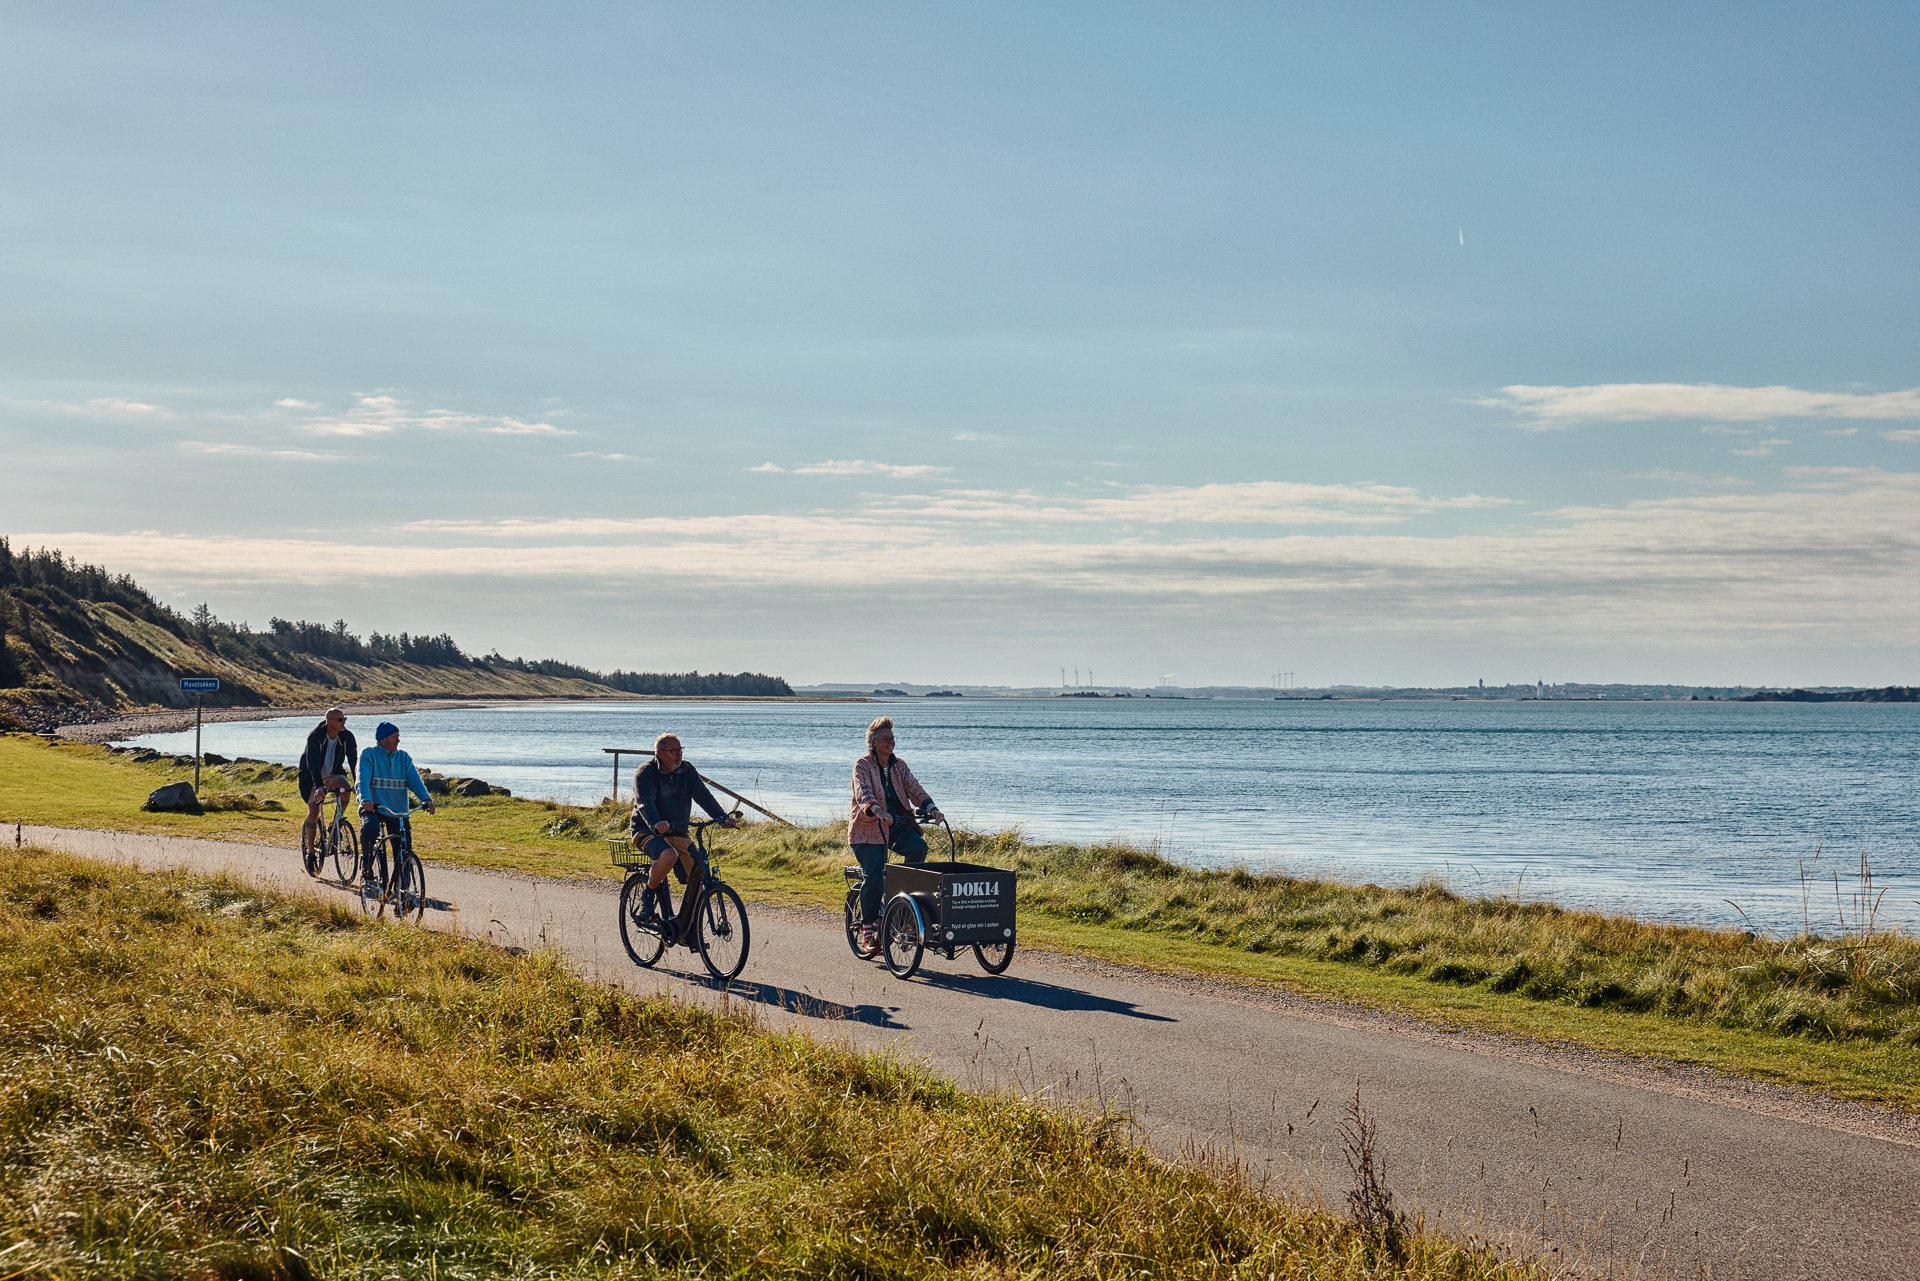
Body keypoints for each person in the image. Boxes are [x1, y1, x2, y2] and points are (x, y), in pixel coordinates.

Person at [848, 716, 944, 951]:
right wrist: (877, 810)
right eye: (886, 739)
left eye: (892, 738)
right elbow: (863, 792)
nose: (891, 742)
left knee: (918, 848)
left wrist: (931, 808)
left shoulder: (899, 765)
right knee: (873, 877)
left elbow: (914, 788)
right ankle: (868, 935)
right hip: (868, 829)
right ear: (874, 742)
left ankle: (900, 903)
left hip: (896, 825)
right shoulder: (862, 765)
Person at [631, 733, 735, 944]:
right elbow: (644, 802)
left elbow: (703, 796)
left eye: (680, 750)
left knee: (697, 877)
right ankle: (648, 895)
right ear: (659, 753)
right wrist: (656, 822)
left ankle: (687, 929)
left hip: (678, 832)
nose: (678, 754)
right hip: (647, 830)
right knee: (668, 855)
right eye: (673, 751)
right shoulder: (646, 772)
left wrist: (721, 817)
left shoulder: (687, 770)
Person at [357, 721, 434, 884]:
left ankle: (403, 889)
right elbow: (362, 779)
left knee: (404, 848)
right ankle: (367, 866)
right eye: (395, 737)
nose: (398, 740)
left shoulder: (403, 757)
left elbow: (415, 780)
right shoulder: (368, 754)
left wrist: (426, 799)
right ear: (383, 738)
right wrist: (366, 800)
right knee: (370, 829)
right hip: (374, 807)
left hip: (398, 811)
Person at [298, 708, 358, 856]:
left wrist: (358, 782)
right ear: (329, 722)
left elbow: (353, 760)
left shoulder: (347, 736)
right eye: (340, 720)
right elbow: (312, 764)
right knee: (314, 811)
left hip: (333, 774)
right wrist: (319, 787)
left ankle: (335, 826)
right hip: (312, 777)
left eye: (344, 719)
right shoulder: (315, 737)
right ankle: (310, 851)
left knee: (345, 791)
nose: (343, 722)